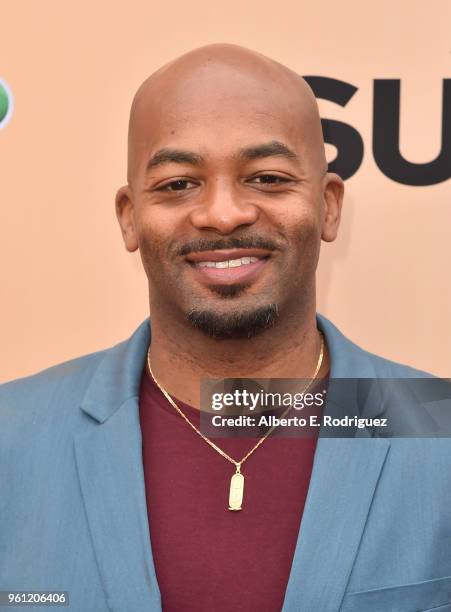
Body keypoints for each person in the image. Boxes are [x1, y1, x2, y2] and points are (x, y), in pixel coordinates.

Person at [1, 44, 450, 612]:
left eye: (266, 177)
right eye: (178, 183)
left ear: (329, 206)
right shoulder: (10, 436)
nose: (222, 213)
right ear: (129, 216)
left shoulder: (439, 430)